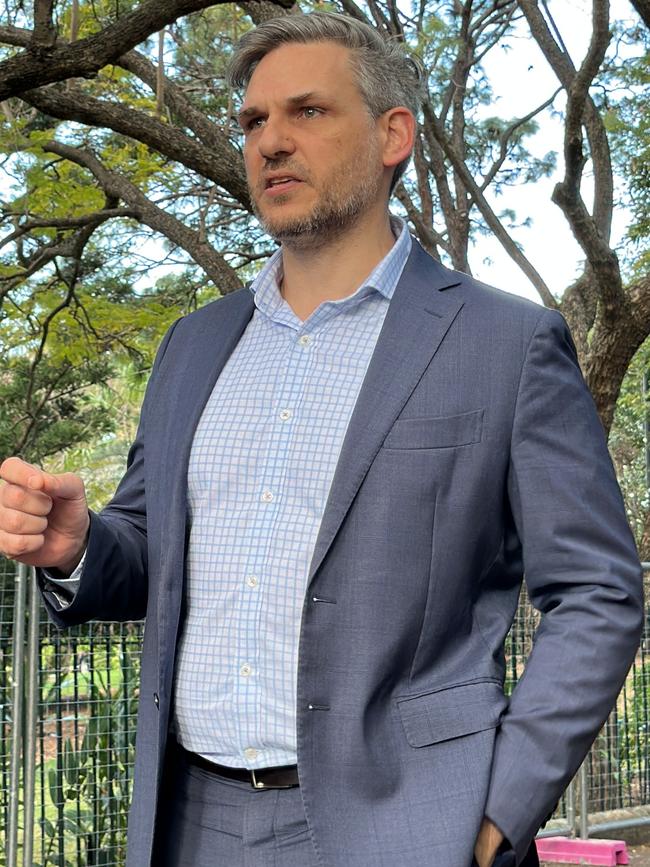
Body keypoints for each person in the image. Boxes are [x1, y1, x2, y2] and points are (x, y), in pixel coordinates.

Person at [0, 11, 643, 867]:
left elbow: (598, 590)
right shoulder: (192, 346)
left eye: (307, 111)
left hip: (413, 827)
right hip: (189, 821)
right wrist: (80, 546)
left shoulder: (507, 345)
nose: (269, 141)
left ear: (392, 136)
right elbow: (151, 555)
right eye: (254, 121)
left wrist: (497, 811)